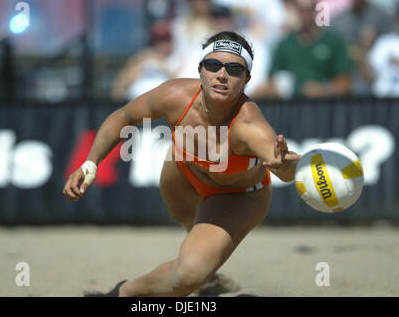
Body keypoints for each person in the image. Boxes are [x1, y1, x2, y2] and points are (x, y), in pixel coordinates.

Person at [63, 31, 301, 297]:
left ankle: (122, 293)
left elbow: (286, 171)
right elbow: (124, 116)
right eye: (213, 65)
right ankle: (208, 273)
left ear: (247, 79)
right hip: (184, 171)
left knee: (191, 273)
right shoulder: (175, 95)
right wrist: (90, 164)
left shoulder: (248, 124)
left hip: (236, 196)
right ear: (200, 70)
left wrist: (285, 165)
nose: (222, 75)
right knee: (188, 227)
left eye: (234, 69)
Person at [254, 0, 353, 99]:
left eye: (308, 10)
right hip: (293, 109)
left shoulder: (333, 42)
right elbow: (272, 79)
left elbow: (346, 83)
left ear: (316, 10)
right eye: (300, 10)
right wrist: (268, 90)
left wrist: (323, 90)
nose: (304, 15)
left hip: (325, 107)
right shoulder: (284, 45)